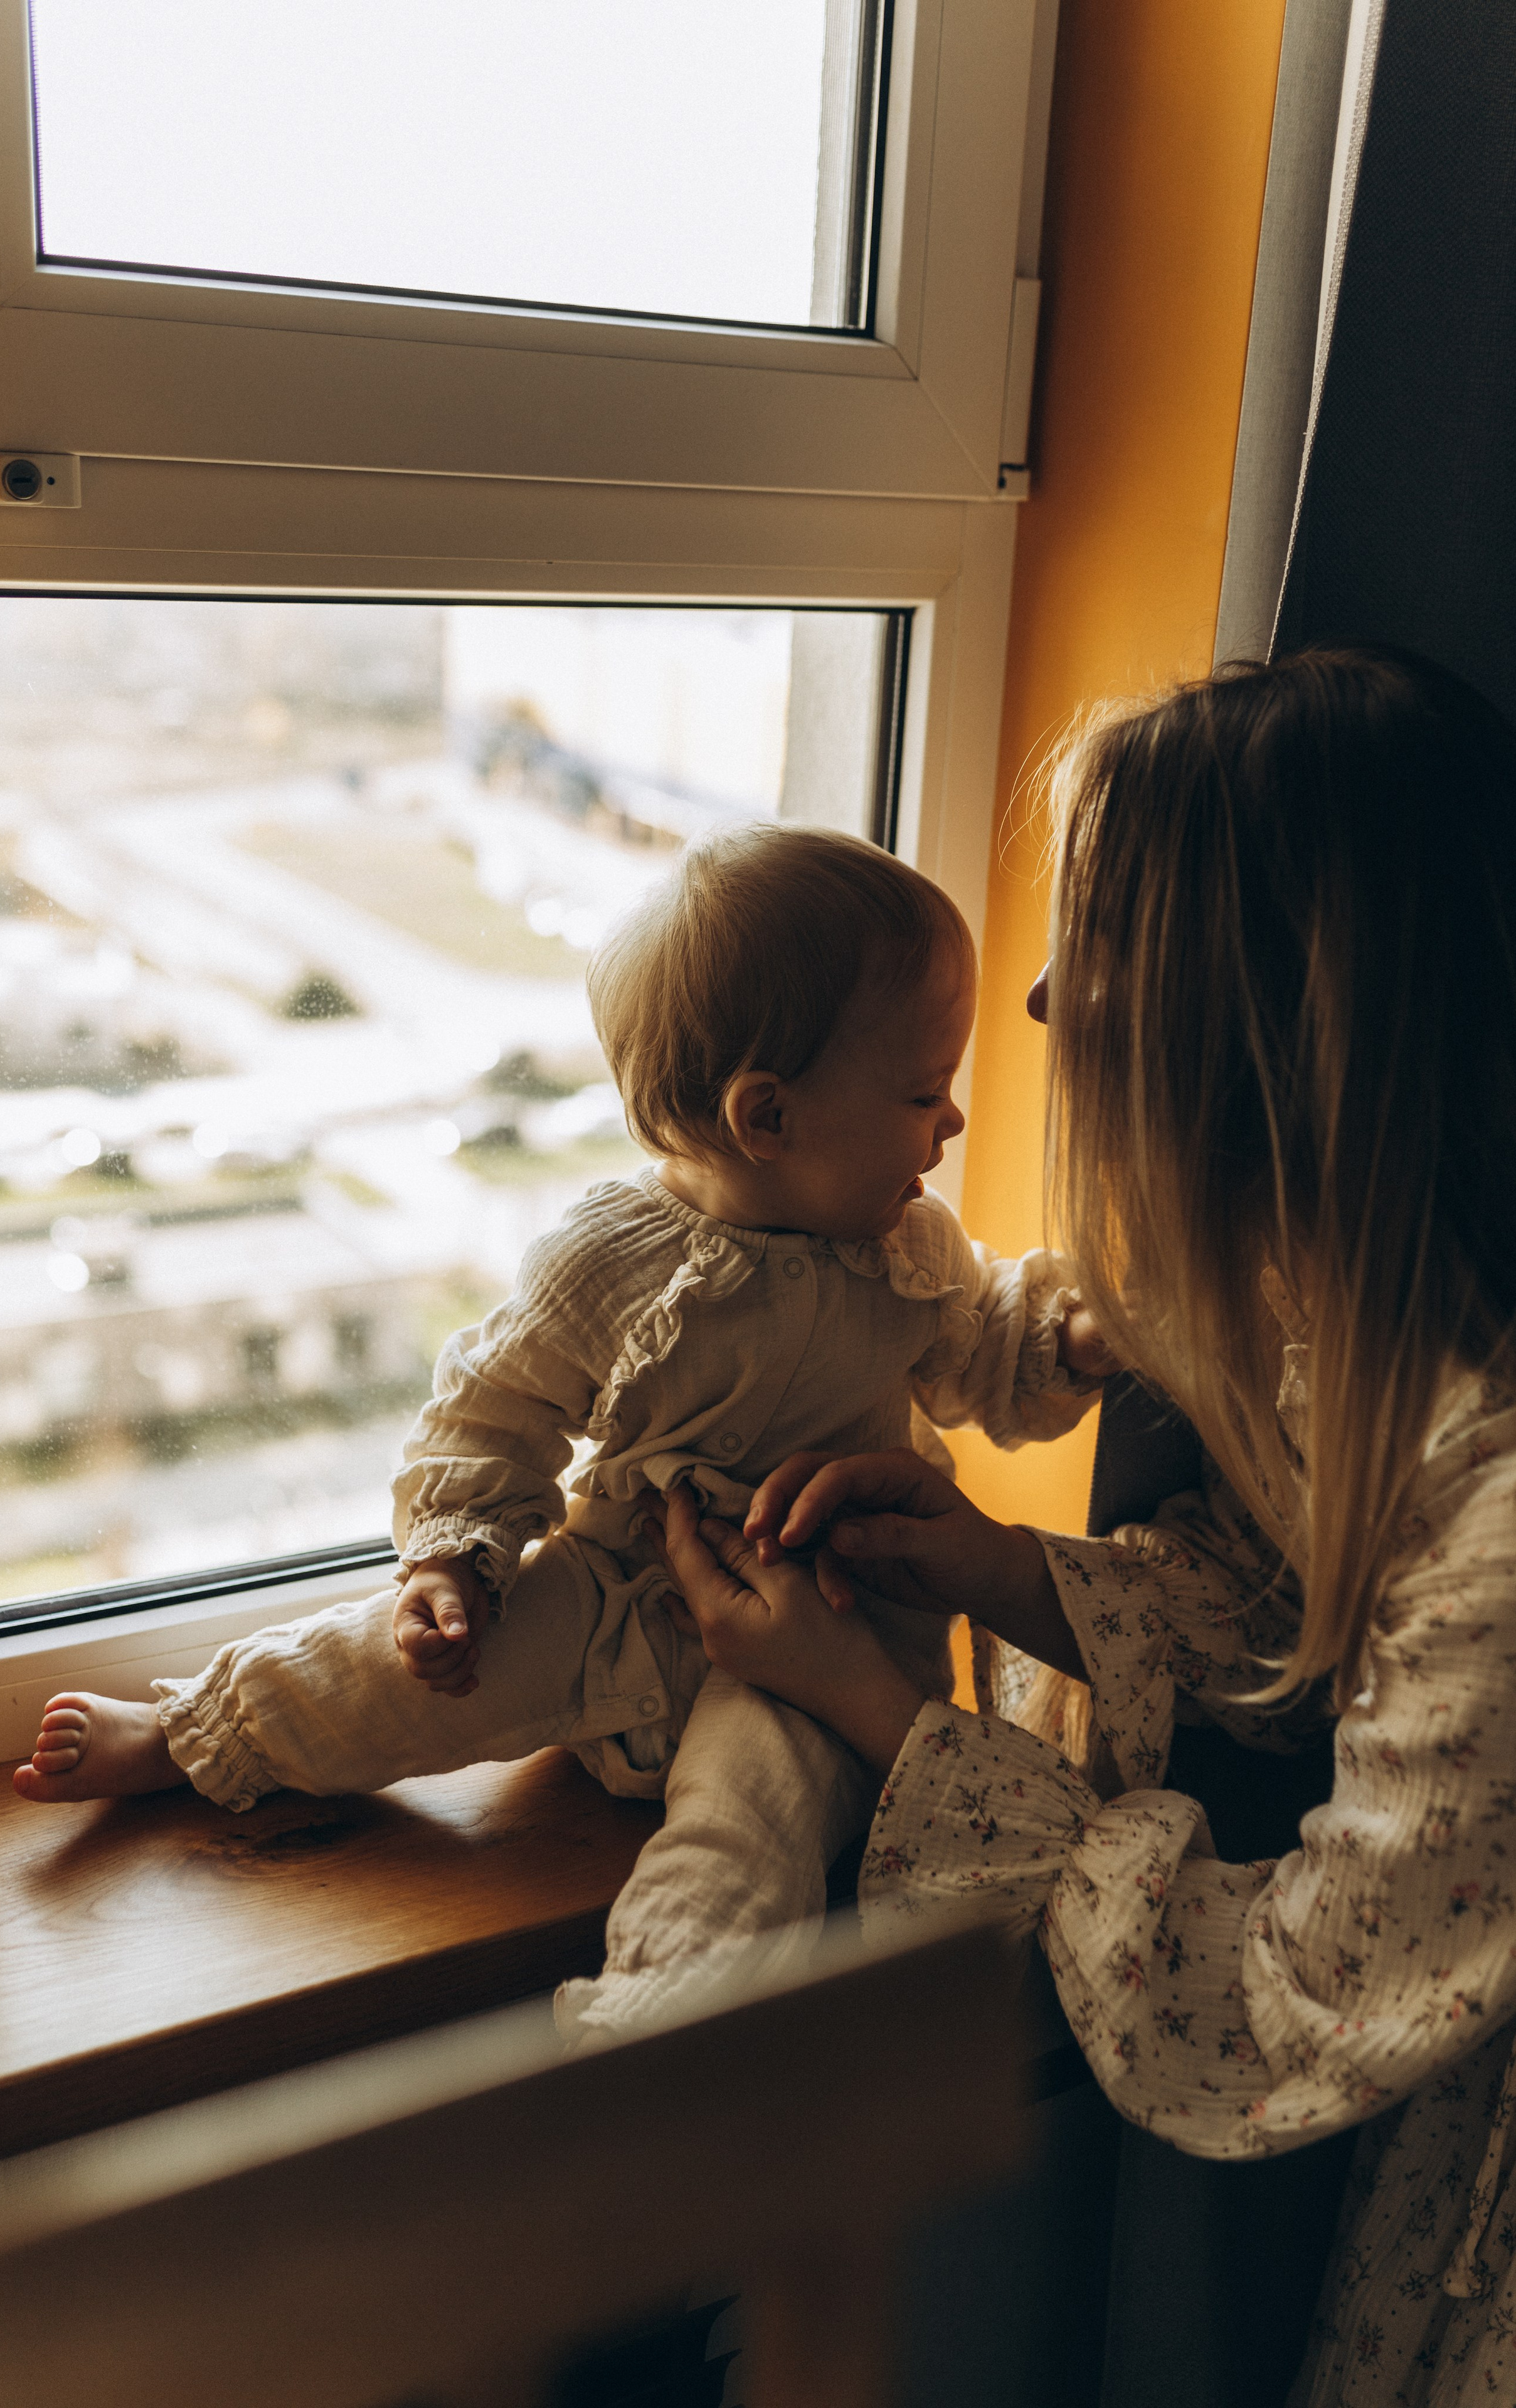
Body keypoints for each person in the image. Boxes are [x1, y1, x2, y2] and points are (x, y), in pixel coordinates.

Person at [657, 647, 1516, 2404]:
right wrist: (990, 1564)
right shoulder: (1356, 1325)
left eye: (1103, 937)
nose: (1043, 1001)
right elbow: (1295, 1613)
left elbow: (1274, 1998)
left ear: (1268, 1014)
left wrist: (891, 1720)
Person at [11, 823, 1105, 2041]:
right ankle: (193, 1732)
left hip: (830, 1637)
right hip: (616, 1591)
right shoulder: (613, 1261)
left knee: (754, 1836)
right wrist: (451, 1563)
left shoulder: (912, 1250)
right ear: (766, 1117)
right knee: (398, 1667)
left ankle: (639, 2032)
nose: (950, 1124)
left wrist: (1068, 1337)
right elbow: (493, 1408)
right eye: (922, 1093)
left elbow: (986, 1353)